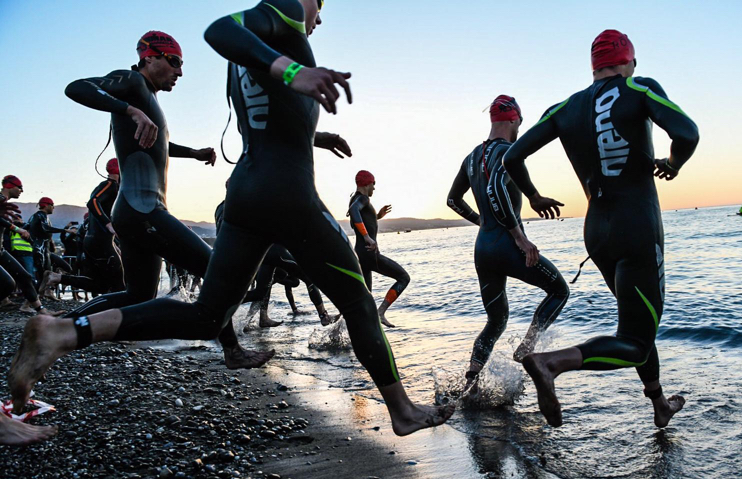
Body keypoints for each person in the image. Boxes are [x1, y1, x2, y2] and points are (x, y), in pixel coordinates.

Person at [10, 0, 454, 436]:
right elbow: (218, 29)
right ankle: (403, 411)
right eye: (321, 5)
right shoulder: (283, 11)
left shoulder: (247, 54)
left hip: (245, 195)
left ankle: (65, 332)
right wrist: (299, 71)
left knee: (207, 315)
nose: (319, 16)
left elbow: (268, 118)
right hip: (287, 193)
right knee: (358, 301)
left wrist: (315, 135)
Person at [503, 30, 699, 428]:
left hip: (598, 233)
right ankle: (550, 364)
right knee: (637, 341)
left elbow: (512, 156)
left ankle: (659, 403)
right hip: (638, 228)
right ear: (629, 61)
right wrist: (674, 164)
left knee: (637, 323)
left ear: (594, 67)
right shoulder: (638, 88)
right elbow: (687, 133)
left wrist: (535, 197)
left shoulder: (565, 107)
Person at [54, 30, 270, 369]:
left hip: (136, 210)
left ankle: (58, 328)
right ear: (149, 56)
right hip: (143, 210)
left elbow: (158, 145)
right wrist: (128, 110)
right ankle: (233, 350)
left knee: (138, 295)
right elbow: (76, 87)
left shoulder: (148, 98)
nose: (179, 72)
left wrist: (194, 153)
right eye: (175, 62)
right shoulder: (130, 82)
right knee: (216, 271)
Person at [447, 95, 570, 393]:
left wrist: (482, 223)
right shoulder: (507, 151)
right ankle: (526, 348)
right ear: (514, 120)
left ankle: (471, 383)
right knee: (559, 291)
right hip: (506, 244)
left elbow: (453, 200)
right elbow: (495, 189)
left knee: (496, 320)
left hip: (484, 247)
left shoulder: (472, 157)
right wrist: (519, 237)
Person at [215, 196, 333, 328]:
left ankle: (238, 309)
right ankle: (324, 316)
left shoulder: (221, 208)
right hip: (274, 250)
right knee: (308, 277)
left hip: (259, 252)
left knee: (260, 292)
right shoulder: (245, 203)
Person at [40, 159, 126, 298]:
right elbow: (92, 202)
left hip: (96, 242)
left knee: (100, 285)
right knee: (119, 286)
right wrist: (107, 223)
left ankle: (57, 278)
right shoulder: (110, 185)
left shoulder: (111, 188)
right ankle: (121, 317)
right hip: (100, 242)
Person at [348, 170, 410, 327]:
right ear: (367, 183)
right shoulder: (362, 198)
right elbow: (355, 212)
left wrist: (377, 217)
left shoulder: (354, 199)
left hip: (360, 254)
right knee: (403, 277)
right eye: (373, 184)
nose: (374, 188)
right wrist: (367, 237)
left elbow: (357, 217)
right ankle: (381, 312)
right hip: (369, 254)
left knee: (365, 298)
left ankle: (346, 330)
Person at [0, 176, 60, 315]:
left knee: (24, 277)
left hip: (1, 250)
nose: (21, 190)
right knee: (8, 283)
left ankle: (41, 310)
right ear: (10, 186)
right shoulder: (1, 199)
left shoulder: (4, 203)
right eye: (20, 187)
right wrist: (16, 228)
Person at [27, 197, 74, 288]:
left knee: (49, 273)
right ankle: (35, 298)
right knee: (43, 275)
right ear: (47, 205)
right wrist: (64, 230)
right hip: (39, 249)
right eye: (52, 205)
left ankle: (46, 291)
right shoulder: (40, 215)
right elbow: (46, 228)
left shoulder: (36, 216)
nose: (53, 208)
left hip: (44, 249)